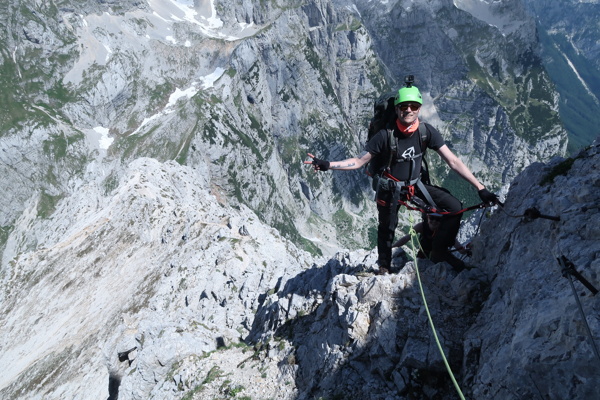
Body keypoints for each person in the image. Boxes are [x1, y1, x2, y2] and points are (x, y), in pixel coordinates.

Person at [304, 80, 500, 274]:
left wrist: (480, 188)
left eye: (413, 106)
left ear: (419, 108)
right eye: (403, 106)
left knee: (455, 208)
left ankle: (439, 252)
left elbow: (453, 161)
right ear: (397, 109)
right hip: (390, 188)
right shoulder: (384, 136)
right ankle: (384, 266)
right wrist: (328, 164)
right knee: (387, 227)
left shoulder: (426, 132)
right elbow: (358, 161)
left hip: (416, 186)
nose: (408, 110)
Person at [392, 213, 471, 271]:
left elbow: (460, 249)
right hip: (425, 254)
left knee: (461, 266)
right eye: (432, 218)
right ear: (428, 218)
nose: (434, 221)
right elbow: (406, 238)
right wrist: (392, 249)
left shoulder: (445, 232)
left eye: (438, 219)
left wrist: (467, 249)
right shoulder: (421, 226)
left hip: (440, 255)